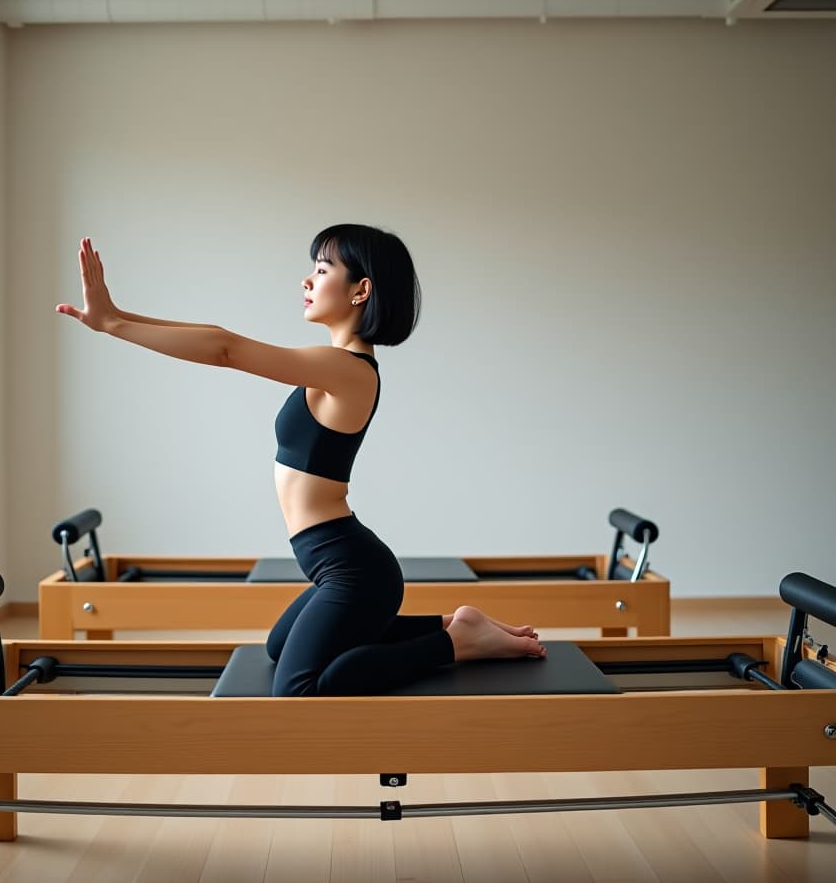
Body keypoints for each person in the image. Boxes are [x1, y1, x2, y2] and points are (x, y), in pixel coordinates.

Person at [56, 225, 546, 696]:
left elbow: (225, 348)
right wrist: (117, 315)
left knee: (300, 687)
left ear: (361, 290)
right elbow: (217, 335)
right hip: (337, 562)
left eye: (323, 268)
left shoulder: (347, 370)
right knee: (278, 647)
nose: (307, 281)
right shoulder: (333, 364)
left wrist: (115, 326)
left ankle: (455, 643)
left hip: (351, 567)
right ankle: (451, 624)